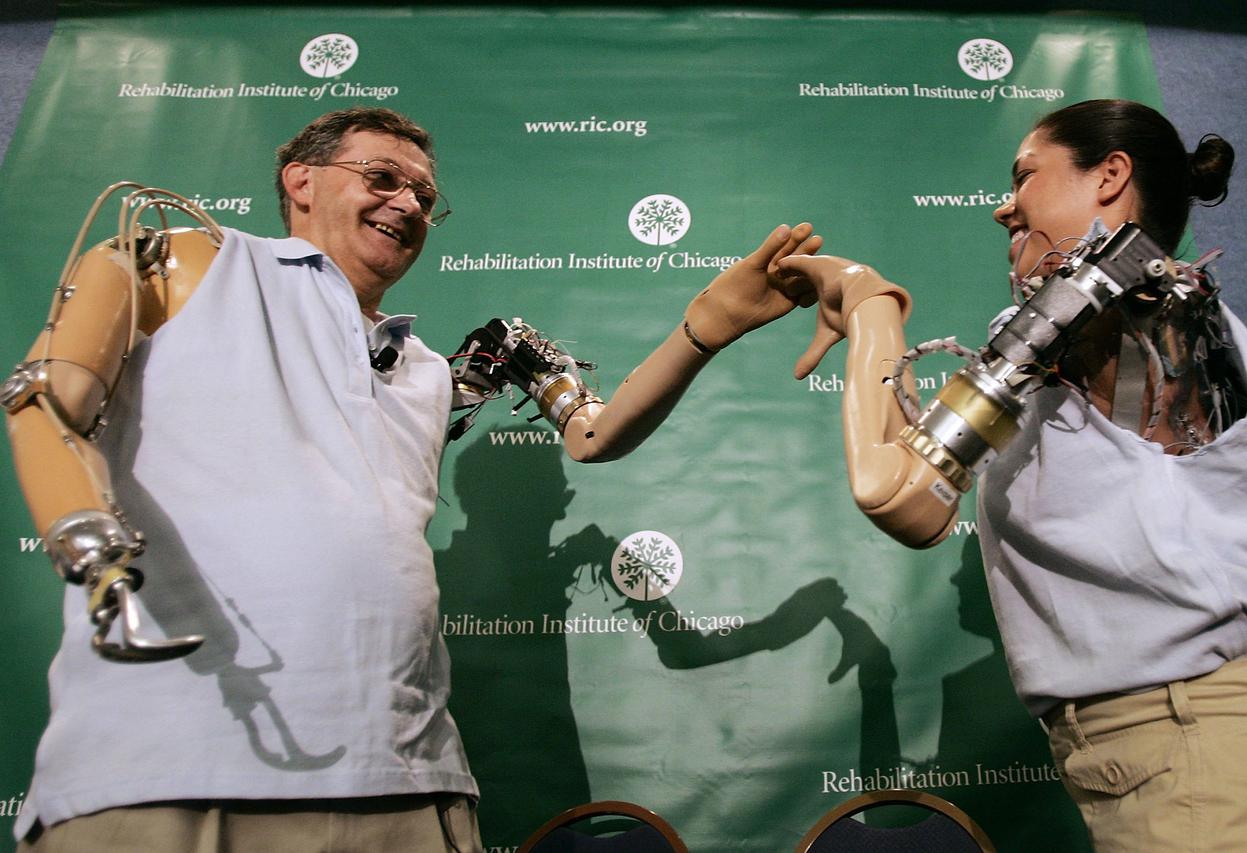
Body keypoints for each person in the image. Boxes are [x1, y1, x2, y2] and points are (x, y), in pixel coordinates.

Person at [4, 106, 821, 852]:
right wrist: (91, 546)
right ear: (300, 181)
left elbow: (594, 434)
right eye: (383, 178)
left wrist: (704, 328)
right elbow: (47, 400)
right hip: (170, 770)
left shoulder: (427, 372)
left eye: (426, 197)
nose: (409, 205)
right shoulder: (184, 262)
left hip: (408, 784)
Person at [777, 99, 1247, 851]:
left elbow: (897, 496)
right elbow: (928, 496)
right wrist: (863, 321)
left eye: (1024, 177)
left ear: (1110, 175)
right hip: (1170, 748)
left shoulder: (1122, 294)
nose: (1002, 207)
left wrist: (873, 302)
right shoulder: (1112, 318)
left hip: (1200, 744)